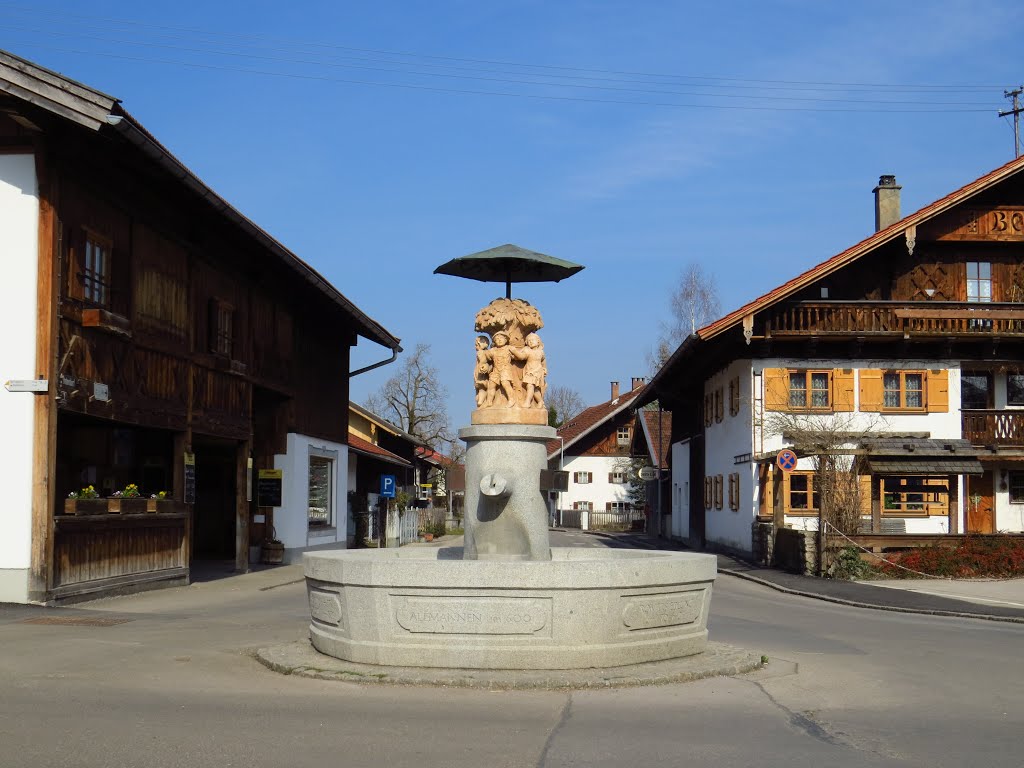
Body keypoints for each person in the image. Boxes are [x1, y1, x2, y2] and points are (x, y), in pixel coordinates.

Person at [485, 331, 519, 408]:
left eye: (501, 338)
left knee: (505, 383)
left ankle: (511, 399)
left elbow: (519, 355)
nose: (499, 340)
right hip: (496, 370)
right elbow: (486, 357)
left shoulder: (509, 348)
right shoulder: (493, 350)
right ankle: (489, 401)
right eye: (497, 339)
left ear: (506, 340)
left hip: (505, 369)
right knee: (491, 385)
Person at [512, 332, 546, 409]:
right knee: (535, 389)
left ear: (538, 341)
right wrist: (514, 352)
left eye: (532, 340)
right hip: (530, 371)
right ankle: (540, 401)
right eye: (529, 341)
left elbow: (543, 360)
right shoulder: (527, 350)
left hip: (537, 371)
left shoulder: (541, 352)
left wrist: (544, 368)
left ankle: (527, 402)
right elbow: (521, 357)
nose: (530, 342)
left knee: (530, 386)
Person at [474, 335, 492, 407]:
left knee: (482, 386)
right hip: (479, 371)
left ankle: (481, 401)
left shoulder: (481, 352)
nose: (475, 347)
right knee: (480, 386)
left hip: (481, 370)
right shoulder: (484, 352)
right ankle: (481, 400)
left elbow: (483, 361)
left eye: (476, 345)